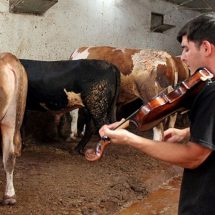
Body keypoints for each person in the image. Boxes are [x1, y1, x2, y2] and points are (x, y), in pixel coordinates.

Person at [99, 13, 215, 215]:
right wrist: (187, 131)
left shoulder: (211, 93)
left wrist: (130, 139)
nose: (182, 57)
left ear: (206, 48)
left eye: (186, 49)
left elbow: (194, 157)